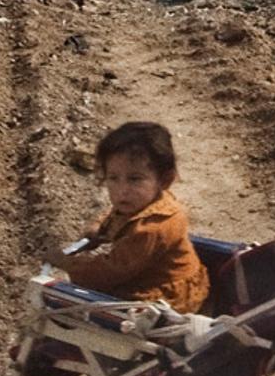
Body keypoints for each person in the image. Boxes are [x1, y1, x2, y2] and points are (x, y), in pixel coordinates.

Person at [56, 121, 210, 313]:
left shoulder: (151, 228)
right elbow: (115, 215)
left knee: (102, 307)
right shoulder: (141, 203)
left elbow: (111, 271)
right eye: (113, 178)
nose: (122, 190)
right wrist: (99, 229)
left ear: (164, 180)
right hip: (152, 274)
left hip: (168, 299)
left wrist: (68, 264)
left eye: (135, 179)